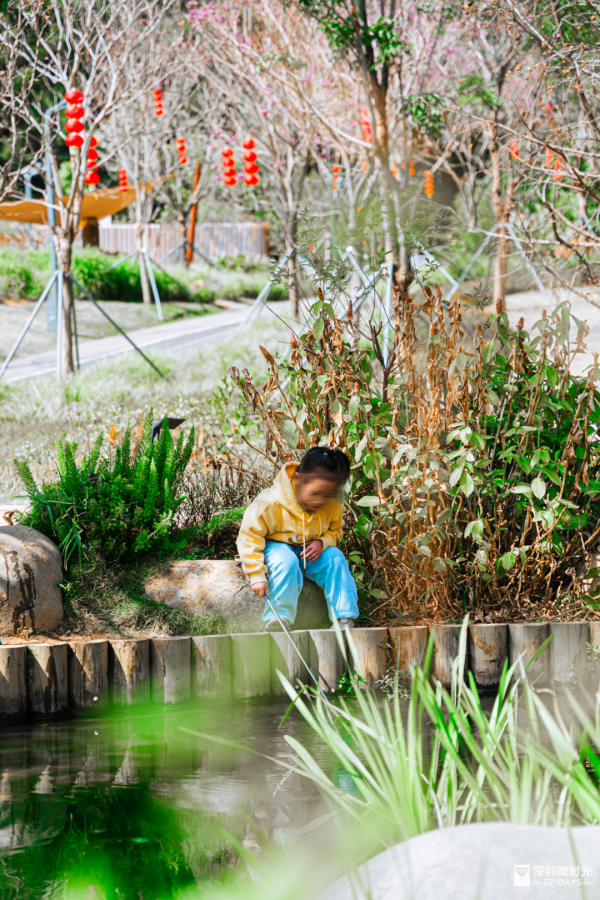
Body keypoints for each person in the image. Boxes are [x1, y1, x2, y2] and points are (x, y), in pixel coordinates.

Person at [236, 447, 359, 632]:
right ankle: (279, 618)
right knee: (287, 562)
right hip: (276, 545)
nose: (321, 501)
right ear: (298, 479)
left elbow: (335, 531)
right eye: (315, 493)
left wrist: (323, 542)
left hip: (309, 550)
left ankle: (344, 617)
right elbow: (249, 536)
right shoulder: (269, 503)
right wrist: (256, 574)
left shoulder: (331, 504)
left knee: (335, 557)